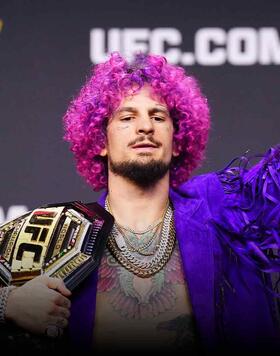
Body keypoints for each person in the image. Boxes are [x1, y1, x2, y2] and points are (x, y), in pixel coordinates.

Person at [1, 52, 280, 355]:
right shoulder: (51, 234)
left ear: (178, 141)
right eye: (127, 117)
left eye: (158, 117)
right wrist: (7, 304)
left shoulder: (225, 210)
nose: (145, 126)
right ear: (100, 141)